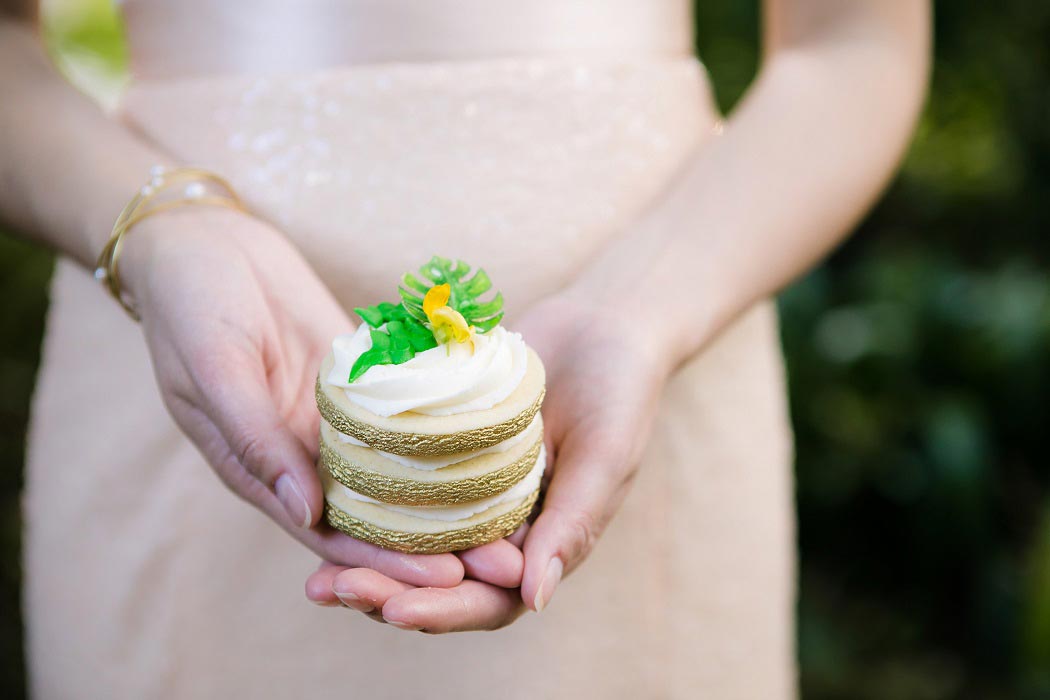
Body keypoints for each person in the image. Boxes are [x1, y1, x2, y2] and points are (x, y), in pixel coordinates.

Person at [0, 0, 929, 696]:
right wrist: (164, 229)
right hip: (192, 342)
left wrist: (643, 312)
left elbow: (852, 42)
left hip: (672, 317)